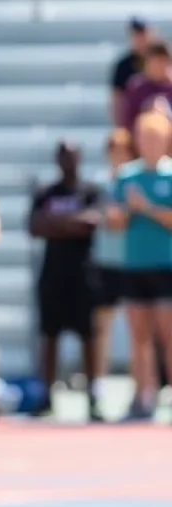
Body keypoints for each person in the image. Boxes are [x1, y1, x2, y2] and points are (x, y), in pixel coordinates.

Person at [28, 141, 103, 421]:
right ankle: (47, 396)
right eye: (63, 156)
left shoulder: (90, 191)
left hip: (84, 274)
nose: (67, 161)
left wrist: (56, 222)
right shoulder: (46, 192)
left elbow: (95, 221)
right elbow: (35, 226)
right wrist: (73, 223)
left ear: (79, 158)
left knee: (88, 336)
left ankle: (93, 397)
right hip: (53, 274)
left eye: (72, 156)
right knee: (50, 335)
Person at [107, 110, 172, 421]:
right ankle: (142, 396)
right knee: (138, 335)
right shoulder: (126, 177)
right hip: (135, 265)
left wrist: (145, 208)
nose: (150, 144)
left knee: (168, 334)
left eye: (156, 138)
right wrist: (124, 212)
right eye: (145, 138)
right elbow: (114, 223)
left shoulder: (170, 175)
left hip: (166, 265)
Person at [93, 128, 133, 380]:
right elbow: (109, 219)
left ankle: (143, 385)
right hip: (106, 261)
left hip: (133, 262)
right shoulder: (100, 182)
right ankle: (99, 382)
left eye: (122, 151)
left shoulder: (137, 180)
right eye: (114, 151)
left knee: (138, 328)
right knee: (102, 326)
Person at [119, 38, 172, 134]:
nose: (157, 66)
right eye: (153, 61)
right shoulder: (136, 87)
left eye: (161, 61)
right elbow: (127, 122)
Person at [110, 17, 152, 126]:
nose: (141, 38)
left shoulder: (162, 59)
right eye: (137, 35)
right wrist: (120, 125)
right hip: (133, 119)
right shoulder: (123, 66)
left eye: (143, 34)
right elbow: (117, 98)